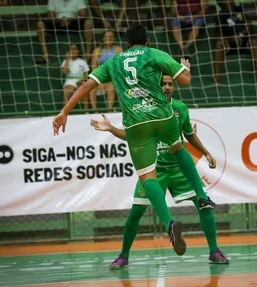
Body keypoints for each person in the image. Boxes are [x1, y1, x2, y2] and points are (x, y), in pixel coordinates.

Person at [52, 24, 216, 256]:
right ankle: (201, 196)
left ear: (127, 44)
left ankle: (169, 223)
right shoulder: (154, 53)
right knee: (178, 146)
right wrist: (184, 68)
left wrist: (64, 111)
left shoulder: (114, 61)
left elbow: (87, 85)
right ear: (147, 42)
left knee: (148, 177)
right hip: (162, 115)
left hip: (136, 123)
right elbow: (186, 81)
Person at [90, 74, 229, 268]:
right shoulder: (144, 109)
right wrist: (112, 129)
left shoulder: (180, 108)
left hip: (179, 169)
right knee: (135, 213)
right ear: (156, 86)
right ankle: (123, 256)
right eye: (163, 84)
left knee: (203, 203)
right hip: (154, 170)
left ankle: (214, 251)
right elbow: (132, 136)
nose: (167, 87)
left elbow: (189, 135)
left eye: (170, 84)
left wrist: (206, 153)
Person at [214, 0, 257, 84]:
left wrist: (240, 35)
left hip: (243, 41)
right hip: (230, 43)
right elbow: (219, 35)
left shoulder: (239, 10)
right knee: (219, 43)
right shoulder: (220, 15)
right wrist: (231, 39)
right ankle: (216, 80)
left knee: (254, 42)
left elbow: (249, 25)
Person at [35, 0, 94, 64]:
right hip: (58, 23)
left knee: (88, 22)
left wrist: (69, 20)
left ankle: (88, 55)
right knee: (40, 24)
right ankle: (45, 55)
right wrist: (60, 20)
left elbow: (84, 15)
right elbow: (50, 17)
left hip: (73, 22)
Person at [89, 31, 123, 109]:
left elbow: (120, 66)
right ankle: (94, 111)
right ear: (103, 39)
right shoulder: (97, 51)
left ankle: (109, 110)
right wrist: (99, 81)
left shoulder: (118, 49)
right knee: (91, 89)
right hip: (101, 77)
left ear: (114, 38)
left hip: (115, 76)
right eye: (106, 37)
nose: (109, 38)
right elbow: (93, 68)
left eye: (111, 37)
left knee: (111, 87)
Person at [61, 43, 90, 110]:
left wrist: (81, 80)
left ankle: (86, 111)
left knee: (84, 91)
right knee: (67, 92)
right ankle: (65, 112)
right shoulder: (65, 61)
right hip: (70, 81)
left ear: (79, 51)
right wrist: (67, 59)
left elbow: (86, 75)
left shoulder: (82, 61)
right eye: (71, 49)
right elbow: (64, 72)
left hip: (80, 81)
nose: (73, 51)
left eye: (75, 49)